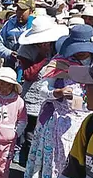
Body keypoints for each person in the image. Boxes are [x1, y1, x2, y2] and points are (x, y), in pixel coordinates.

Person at [24, 25, 93, 178]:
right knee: (61, 163)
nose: (83, 53)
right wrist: (57, 93)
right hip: (62, 123)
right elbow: (43, 88)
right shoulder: (60, 63)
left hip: (91, 121)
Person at [18, 16, 69, 163]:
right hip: (33, 95)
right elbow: (28, 74)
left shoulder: (58, 46)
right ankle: (28, 164)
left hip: (53, 93)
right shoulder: (26, 49)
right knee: (31, 132)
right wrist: (42, 58)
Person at [0, 0, 35, 66]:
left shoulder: (35, 25)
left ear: (31, 11)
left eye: (22, 10)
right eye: (18, 9)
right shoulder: (9, 24)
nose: (19, 12)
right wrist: (9, 53)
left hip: (30, 66)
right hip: (10, 65)